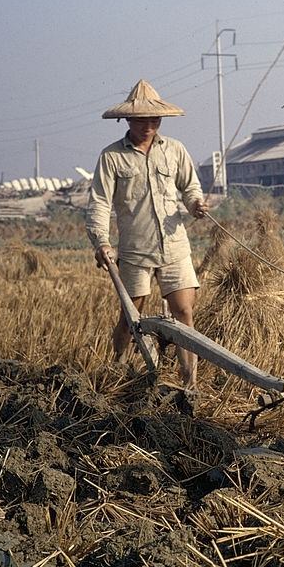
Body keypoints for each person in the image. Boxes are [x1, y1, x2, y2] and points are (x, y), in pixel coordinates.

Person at [86, 79, 209, 405]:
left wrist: (196, 204)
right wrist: (102, 241)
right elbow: (99, 202)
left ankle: (190, 383)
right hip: (135, 249)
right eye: (141, 121)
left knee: (184, 311)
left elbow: (190, 187)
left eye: (153, 121)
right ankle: (119, 370)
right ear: (128, 121)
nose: (148, 127)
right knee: (131, 316)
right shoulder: (112, 157)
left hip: (174, 245)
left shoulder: (175, 150)